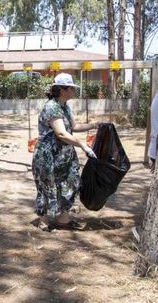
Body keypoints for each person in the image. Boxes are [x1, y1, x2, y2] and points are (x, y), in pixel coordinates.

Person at [31, 73, 98, 232]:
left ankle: (63, 219)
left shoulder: (64, 106)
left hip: (64, 154)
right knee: (48, 185)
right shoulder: (51, 107)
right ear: (62, 90)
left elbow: (73, 127)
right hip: (49, 155)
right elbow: (61, 133)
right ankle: (44, 220)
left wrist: (94, 125)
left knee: (71, 181)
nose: (74, 91)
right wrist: (82, 145)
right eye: (71, 88)